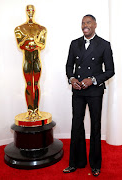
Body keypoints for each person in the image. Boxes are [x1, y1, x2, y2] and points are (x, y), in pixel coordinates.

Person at [63, 14, 115, 176]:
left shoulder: (104, 45)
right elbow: (69, 65)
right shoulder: (74, 43)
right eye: (83, 23)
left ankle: (95, 164)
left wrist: (93, 80)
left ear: (95, 25)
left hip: (94, 91)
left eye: (88, 22)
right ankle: (75, 163)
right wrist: (71, 78)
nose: (85, 25)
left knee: (95, 126)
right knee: (76, 125)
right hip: (78, 90)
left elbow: (110, 70)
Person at [14, 5, 47, 120]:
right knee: (28, 84)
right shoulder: (19, 28)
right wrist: (28, 40)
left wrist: (33, 43)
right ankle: (30, 110)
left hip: (37, 60)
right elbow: (20, 45)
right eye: (28, 10)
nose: (30, 12)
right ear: (26, 11)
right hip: (27, 60)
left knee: (36, 84)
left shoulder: (41, 28)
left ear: (35, 11)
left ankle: (36, 110)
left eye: (32, 10)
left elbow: (42, 45)